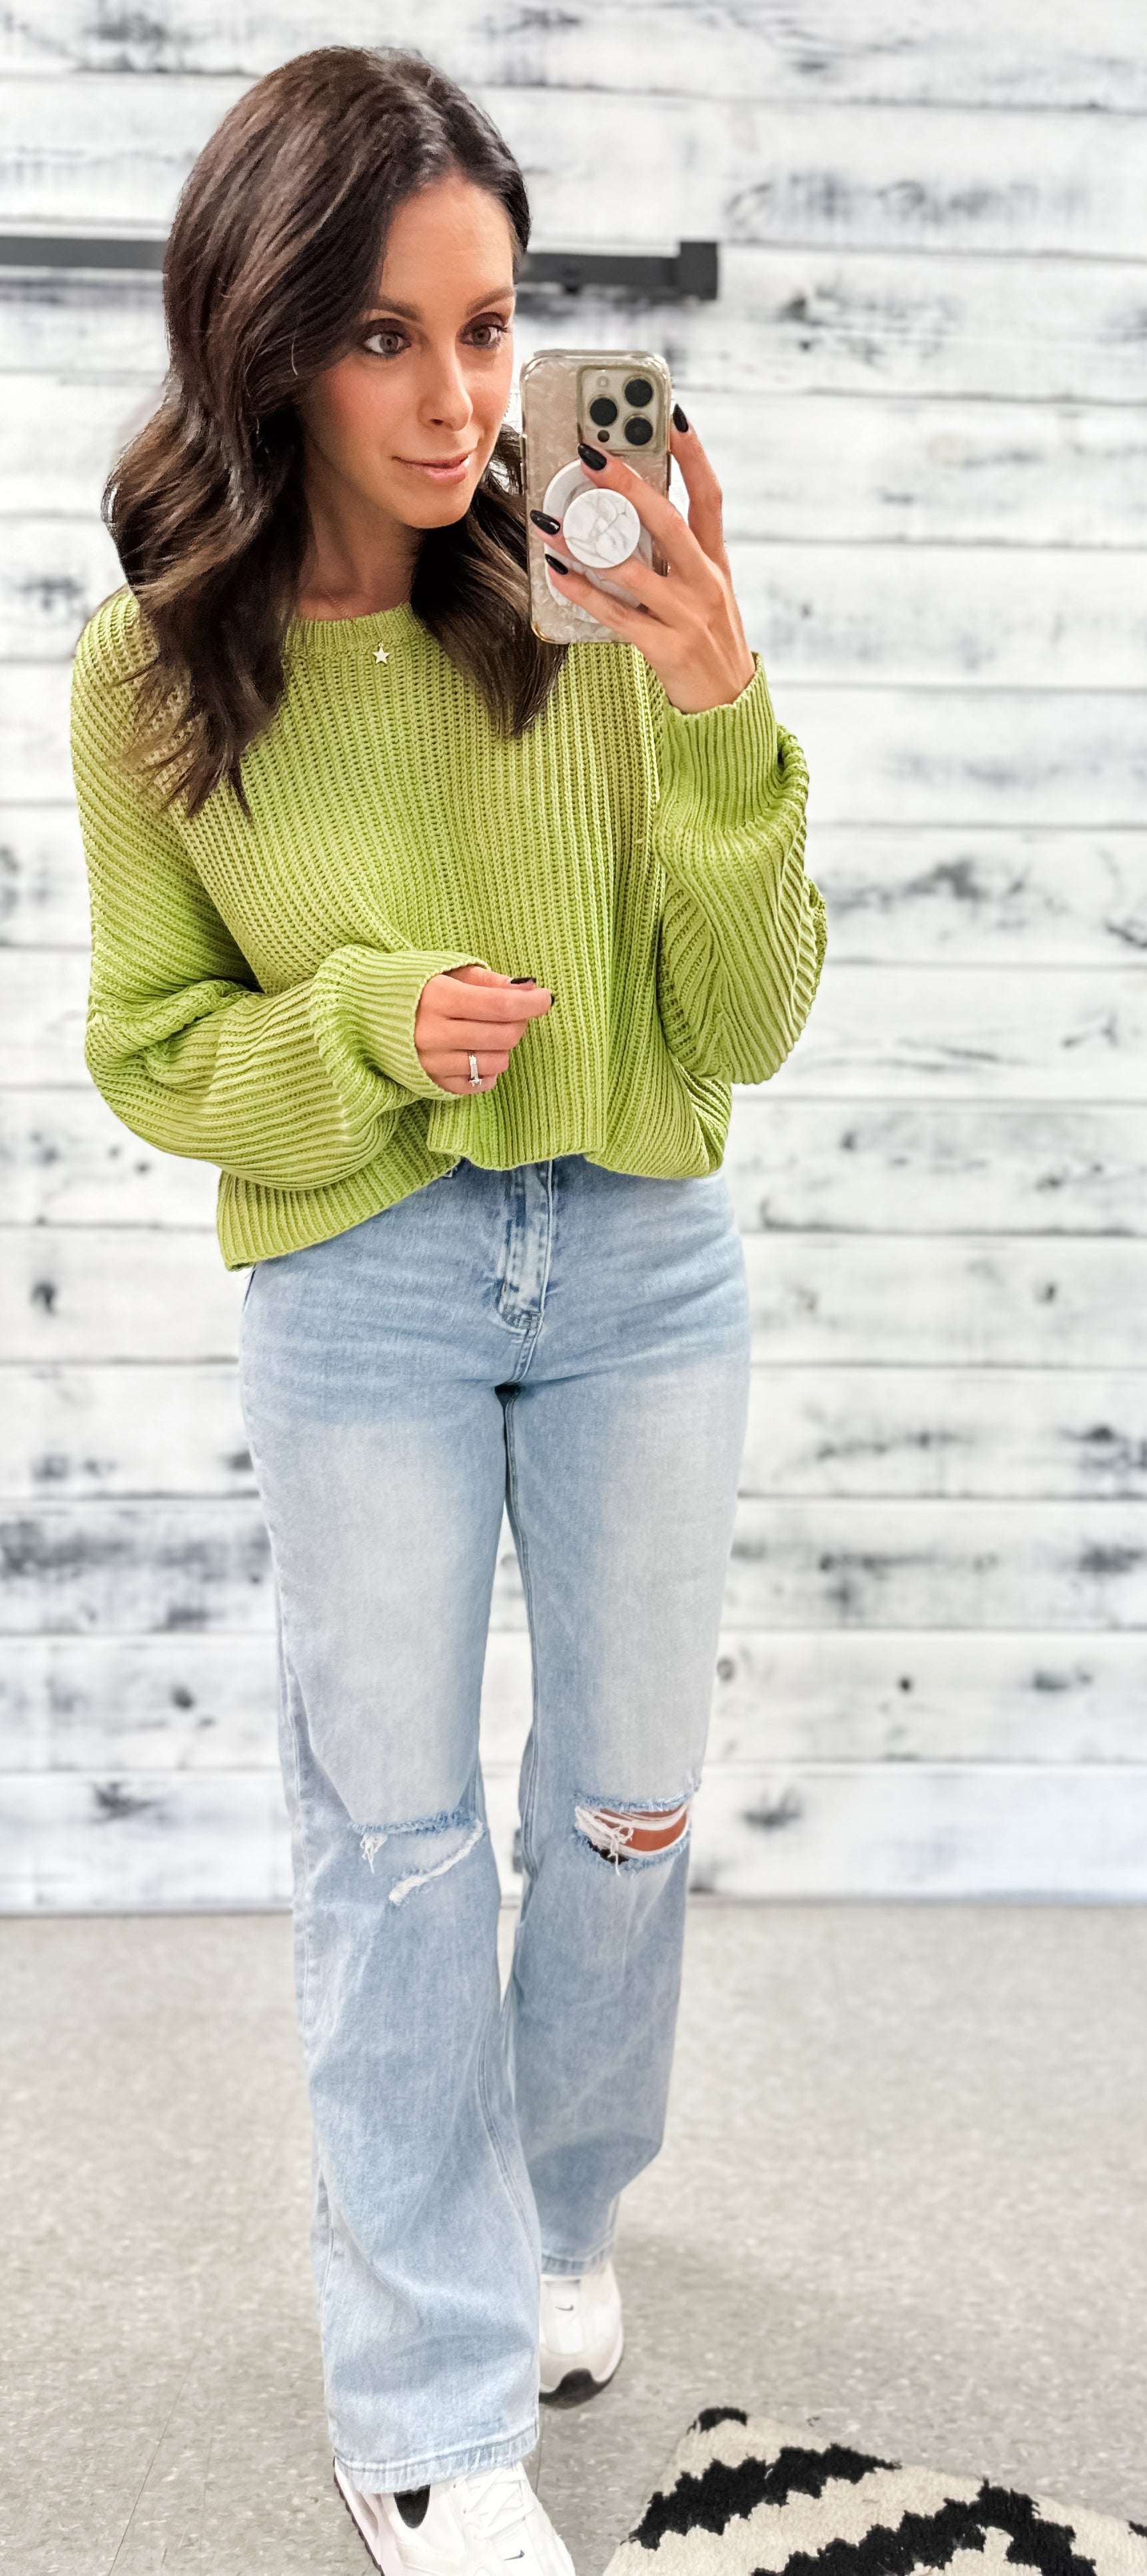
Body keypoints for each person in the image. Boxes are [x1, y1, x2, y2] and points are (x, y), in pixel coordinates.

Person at [70, 45, 825, 2576]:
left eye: (488, 328)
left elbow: (737, 1020)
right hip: (363, 1280)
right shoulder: (156, 671)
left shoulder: (593, 598)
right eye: (386, 339)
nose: (457, 397)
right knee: (389, 1845)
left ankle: (552, 2207)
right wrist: (377, 1028)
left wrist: (719, 706)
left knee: (619, 1803)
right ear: (267, 337)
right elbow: (151, 1049)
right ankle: (419, 2408)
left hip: (638, 1257)